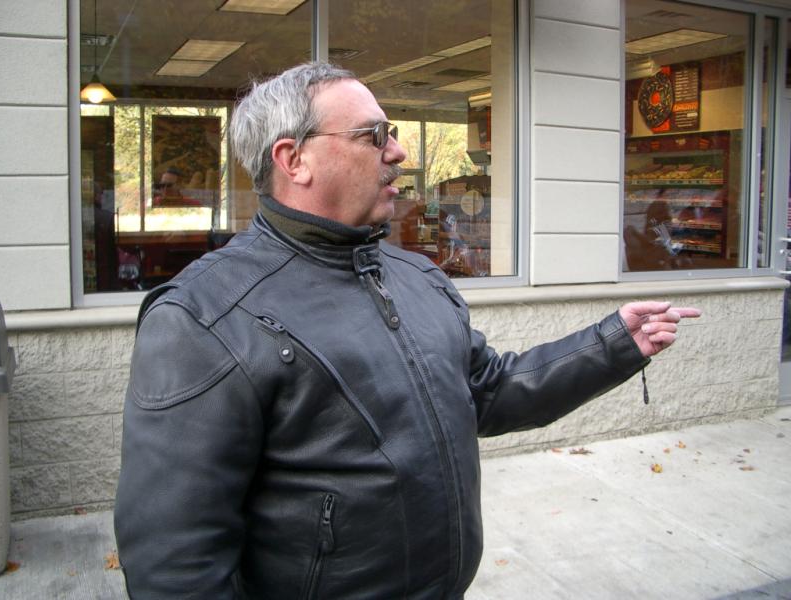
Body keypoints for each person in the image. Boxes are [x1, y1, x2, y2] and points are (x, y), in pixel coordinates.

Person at [114, 62, 700, 599]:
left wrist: (613, 344)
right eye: (375, 135)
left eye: (391, 132)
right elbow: (176, 565)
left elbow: (487, 391)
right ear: (294, 160)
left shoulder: (416, 276)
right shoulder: (206, 317)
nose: (397, 151)